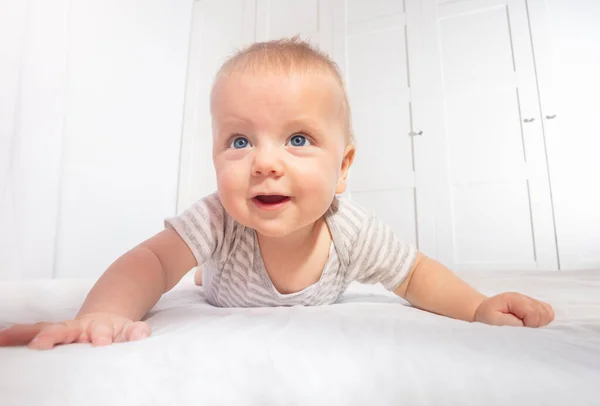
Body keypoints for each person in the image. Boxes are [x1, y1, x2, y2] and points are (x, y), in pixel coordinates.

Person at [0, 38, 554, 350]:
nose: (265, 162)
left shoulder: (350, 229)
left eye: (298, 139)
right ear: (215, 155)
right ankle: (204, 271)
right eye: (239, 140)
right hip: (221, 276)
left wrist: (478, 307)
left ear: (343, 169)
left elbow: (415, 275)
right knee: (191, 267)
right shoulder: (218, 218)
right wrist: (101, 315)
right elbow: (148, 262)